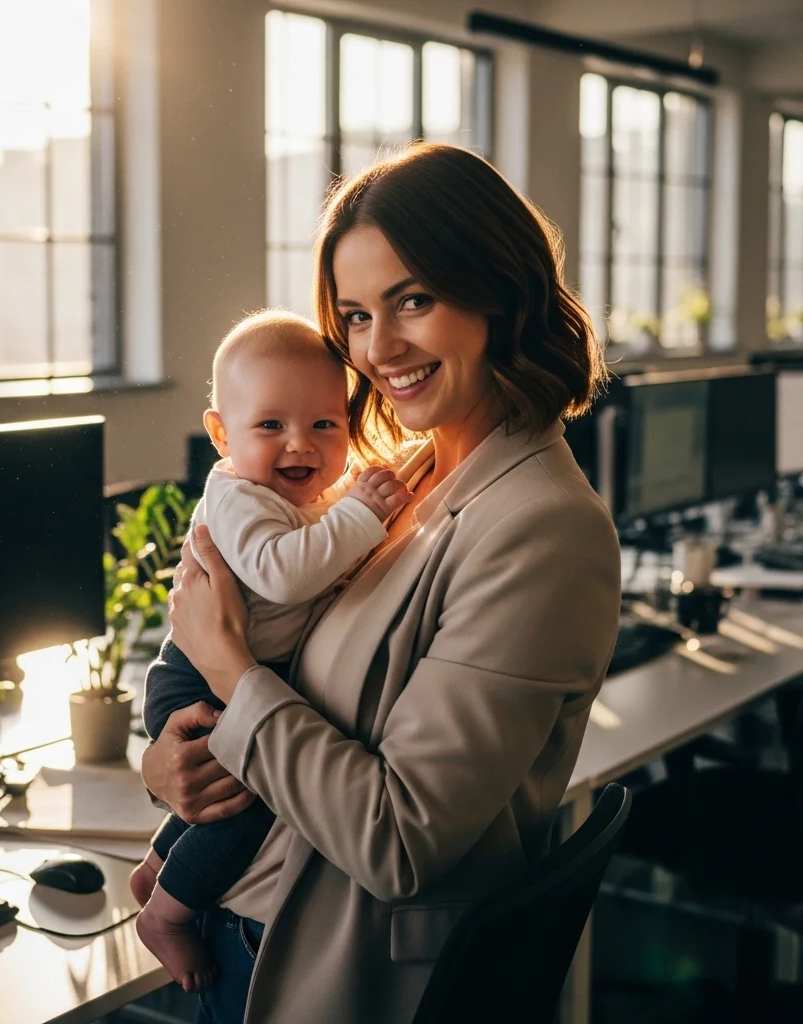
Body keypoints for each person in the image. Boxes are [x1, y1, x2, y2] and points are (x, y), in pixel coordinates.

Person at [141, 141, 623, 1024]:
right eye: (356, 315)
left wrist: (226, 670)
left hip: (333, 972)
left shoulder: (543, 528)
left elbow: (400, 839)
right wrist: (168, 763)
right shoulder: (404, 474)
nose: (378, 347)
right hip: (247, 919)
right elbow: (280, 675)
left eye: (414, 300)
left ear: (498, 290)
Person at [131, 309, 412, 993]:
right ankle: (167, 914)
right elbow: (286, 572)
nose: (301, 446)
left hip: (229, 671)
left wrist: (347, 518)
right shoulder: (237, 498)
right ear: (222, 435)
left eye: (325, 425)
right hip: (195, 676)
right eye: (270, 426)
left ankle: (157, 867)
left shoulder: (296, 501)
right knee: (254, 795)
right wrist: (361, 516)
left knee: (232, 787)